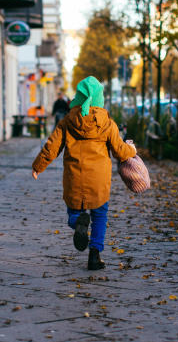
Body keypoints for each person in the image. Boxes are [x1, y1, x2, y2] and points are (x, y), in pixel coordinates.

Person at [32, 76, 136, 270]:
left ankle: (77, 222)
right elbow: (120, 150)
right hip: (99, 182)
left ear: (78, 98)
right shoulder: (107, 123)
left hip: (74, 178)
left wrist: (38, 166)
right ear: (99, 99)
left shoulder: (67, 122)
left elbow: (51, 147)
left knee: (74, 211)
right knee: (100, 215)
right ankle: (94, 256)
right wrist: (133, 150)